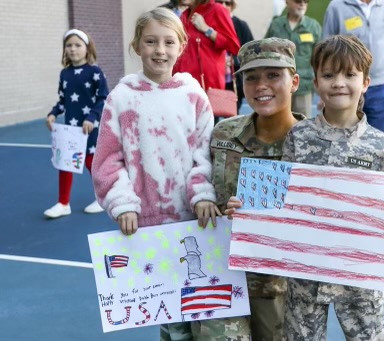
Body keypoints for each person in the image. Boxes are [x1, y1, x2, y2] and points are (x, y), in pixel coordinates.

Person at [279, 34, 384, 341]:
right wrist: (250, 209)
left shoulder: (379, 145)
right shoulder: (298, 136)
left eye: (349, 74)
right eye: (328, 75)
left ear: (366, 83)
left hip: (360, 278)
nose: (339, 83)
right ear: (316, 83)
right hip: (306, 274)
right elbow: (281, 198)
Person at [91, 8, 221, 337]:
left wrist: (203, 193)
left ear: (182, 46)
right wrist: (122, 203)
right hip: (149, 229)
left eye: (167, 42)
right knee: (172, 318)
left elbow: (205, 152)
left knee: (205, 313)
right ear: (136, 46)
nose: (159, 50)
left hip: (195, 223)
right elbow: (107, 159)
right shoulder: (120, 99)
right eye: (150, 41)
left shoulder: (194, 96)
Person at [200, 38, 306, 340]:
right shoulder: (223, 134)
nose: (261, 85)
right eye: (251, 77)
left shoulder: (315, 144)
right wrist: (214, 207)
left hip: (280, 287)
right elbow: (198, 186)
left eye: (273, 75)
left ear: (294, 81)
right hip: (222, 275)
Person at [322, 0, 384, 137]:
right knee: (342, 141)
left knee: (379, 141)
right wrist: (325, 87)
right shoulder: (337, 6)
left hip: (380, 87)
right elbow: (326, 52)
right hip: (347, 87)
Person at [44, 29, 109, 219]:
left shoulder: (95, 72)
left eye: (77, 45)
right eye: (69, 45)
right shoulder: (65, 74)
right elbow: (63, 100)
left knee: (91, 163)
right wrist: (53, 114)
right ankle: (63, 203)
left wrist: (92, 118)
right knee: (65, 164)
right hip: (70, 130)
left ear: (87, 48)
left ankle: (102, 198)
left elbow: (103, 98)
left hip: (90, 128)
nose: (73, 49)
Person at [265, 0, 322, 117]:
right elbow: (265, 52)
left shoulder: (314, 26)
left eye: (306, 1)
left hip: (303, 85)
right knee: (278, 122)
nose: (302, 4)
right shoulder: (276, 25)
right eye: (298, 1)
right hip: (278, 84)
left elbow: (320, 60)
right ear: (287, 2)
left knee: (302, 125)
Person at [173, 0, 240, 93]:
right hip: (182, 84)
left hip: (207, 86)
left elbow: (233, 45)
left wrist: (206, 29)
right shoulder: (184, 15)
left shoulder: (217, 9)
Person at [217, 0, 254, 113]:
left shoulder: (241, 25)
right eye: (219, 2)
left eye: (227, 3)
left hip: (233, 81)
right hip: (213, 81)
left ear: (232, 5)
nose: (223, 6)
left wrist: (234, 61)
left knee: (232, 120)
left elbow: (251, 53)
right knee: (210, 120)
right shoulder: (209, 24)